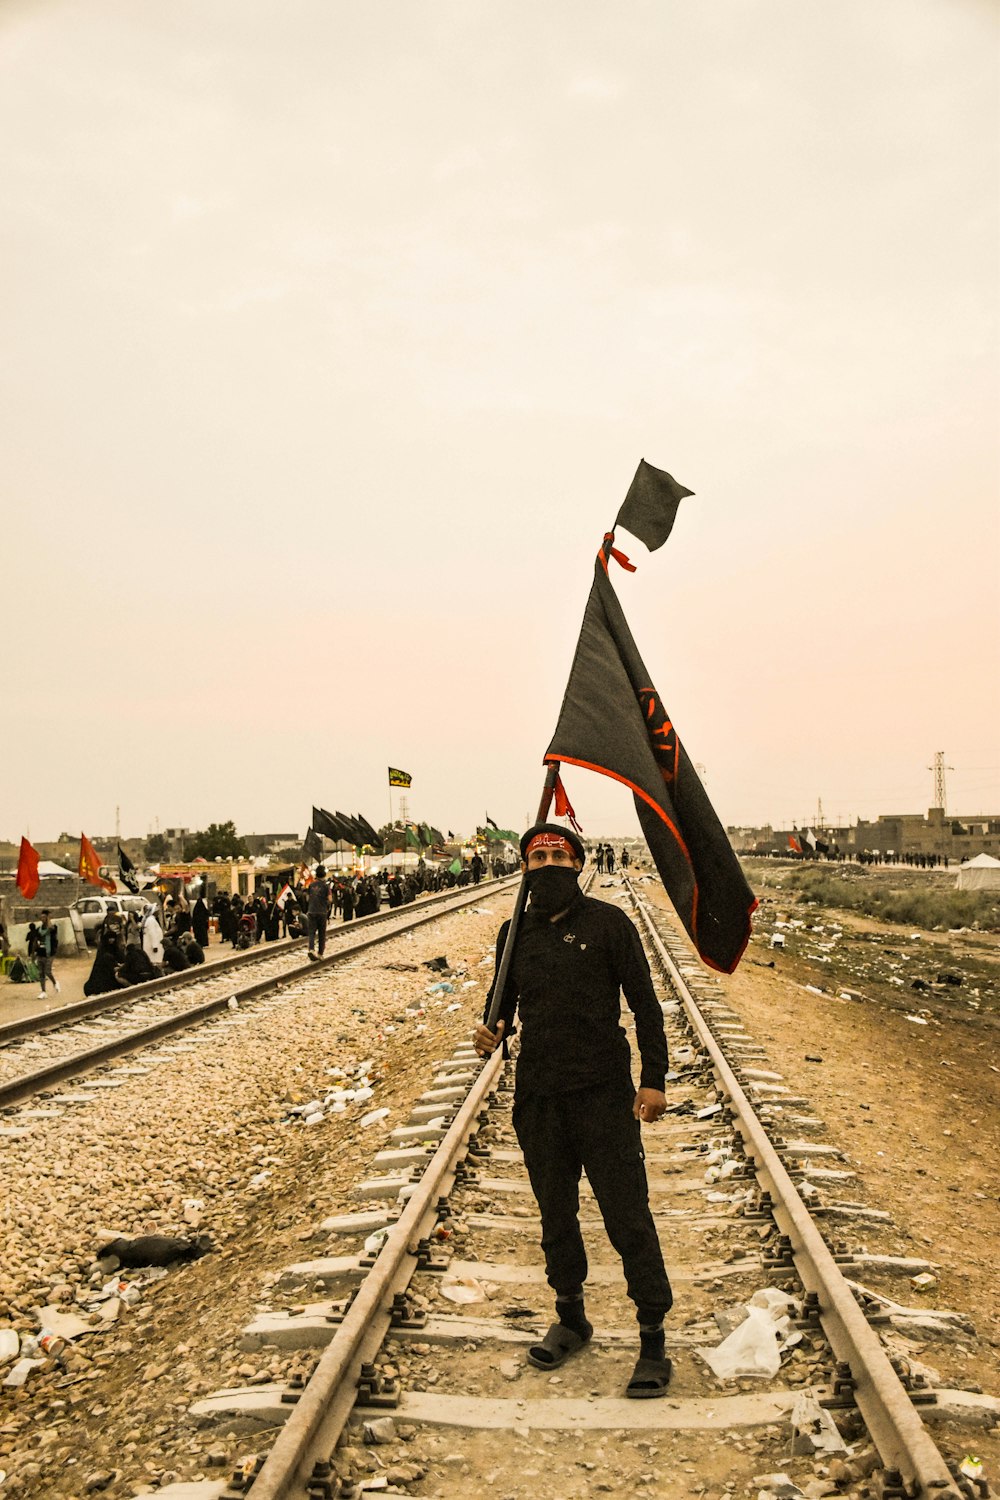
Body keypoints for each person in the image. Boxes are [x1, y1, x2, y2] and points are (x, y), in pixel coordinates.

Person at [474, 823, 673, 1399]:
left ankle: (653, 1337)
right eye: (537, 857)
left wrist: (653, 1079)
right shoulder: (515, 933)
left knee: (627, 1217)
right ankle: (571, 1317)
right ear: (524, 869)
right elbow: (502, 1006)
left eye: (559, 855)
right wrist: (492, 1031)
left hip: (603, 1096)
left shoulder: (610, 924)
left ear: (579, 863)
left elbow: (645, 1005)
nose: (548, 863)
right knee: (555, 1215)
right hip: (539, 1097)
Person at [28, 911, 61, 999]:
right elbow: (35, 941)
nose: (42, 919)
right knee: (41, 973)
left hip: (49, 953)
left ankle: (55, 983)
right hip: (40, 953)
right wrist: (33, 954)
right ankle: (43, 991)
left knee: (47, 971)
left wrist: (48, 920)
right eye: (41, 917)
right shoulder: (39, 930)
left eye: (44, 917)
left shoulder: (52, 928)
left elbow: (51, 929)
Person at [307, 865, 331, 959]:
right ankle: (320, 953)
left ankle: (311, 949)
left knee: (312, 932)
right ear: (324, 875)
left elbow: (307, 898)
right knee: (322, 933)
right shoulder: (326, 886)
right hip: (322, 912)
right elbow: (330, 899)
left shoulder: (311, 885)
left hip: (311, 911)